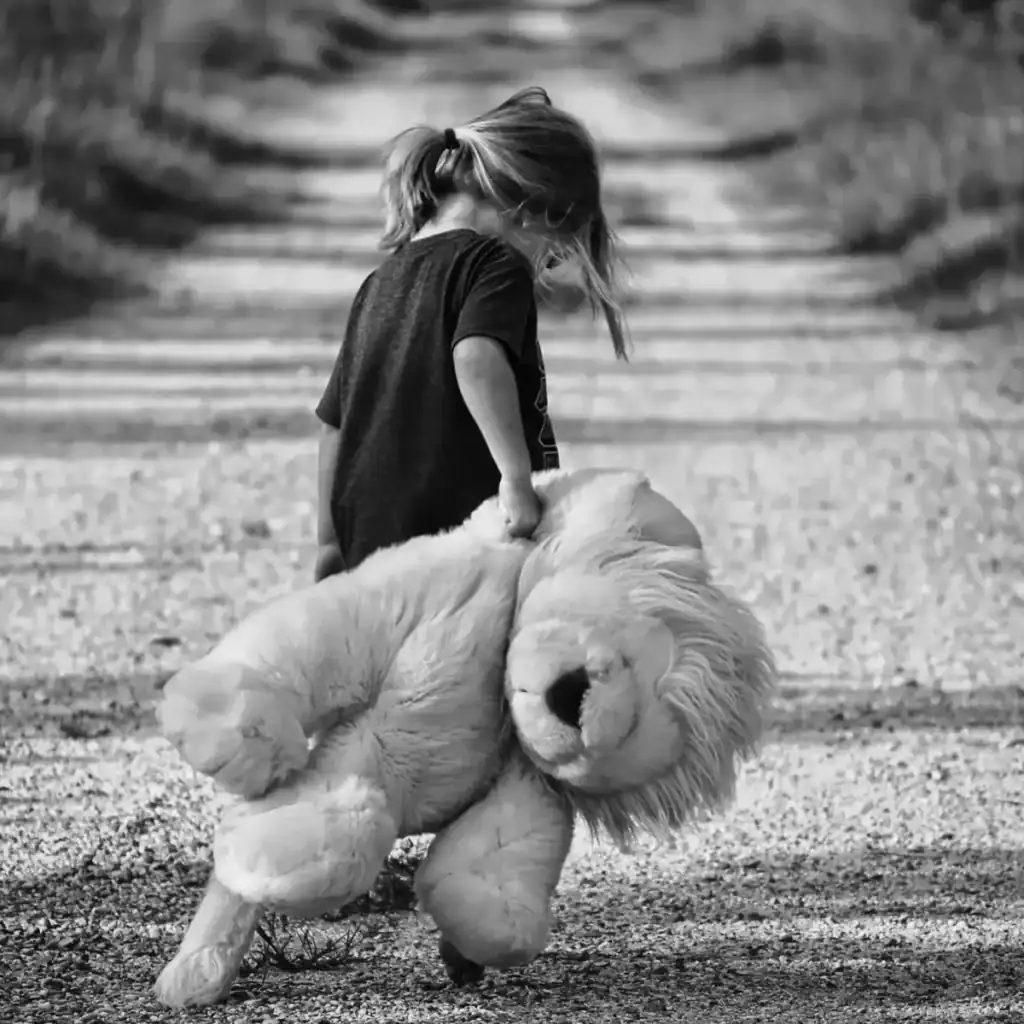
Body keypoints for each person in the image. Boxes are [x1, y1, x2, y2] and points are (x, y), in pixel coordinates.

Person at [313, 86, 629, 583]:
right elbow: (477, 358)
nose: (550, 264)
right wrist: (516, 479)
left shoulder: (381, 280)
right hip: (462, 536)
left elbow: (336, 421)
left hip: (370, 543)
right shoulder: (495, 262)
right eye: (556, 251)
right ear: (532, 208)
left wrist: (330, 541)